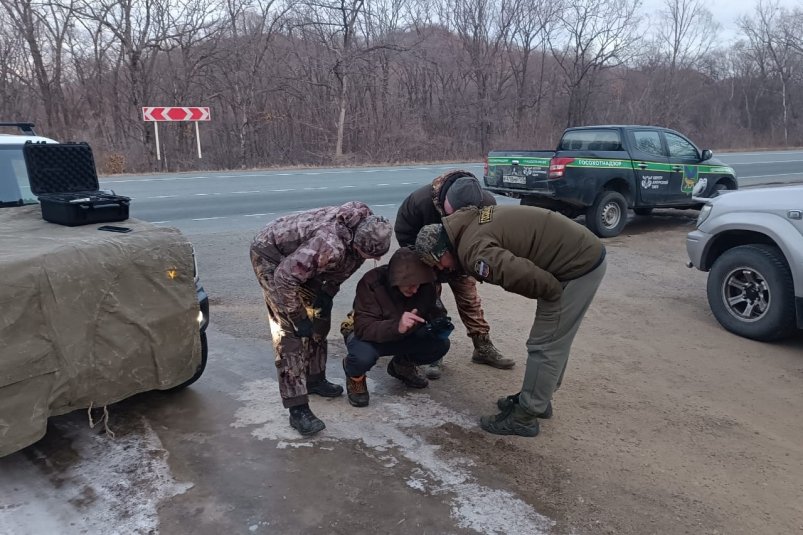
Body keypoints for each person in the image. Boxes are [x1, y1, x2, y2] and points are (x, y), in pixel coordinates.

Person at [414, 204, 607, 437]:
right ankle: (539, 398)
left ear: (443, 250)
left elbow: (519, 274)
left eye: (437, 263)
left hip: (576, 267)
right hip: (577, 252)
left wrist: (553, 292)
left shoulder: (474, 252)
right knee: (555, 340)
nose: (441, 269)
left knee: (545, 344)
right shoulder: (467, 224)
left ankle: (525, 416)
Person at [250, 201, 392, 436]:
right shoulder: (329, 246)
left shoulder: (366, 227)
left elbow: (345, 266)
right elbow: (284, 278)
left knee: (319, 319)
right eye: (368, 255)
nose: (370, 260)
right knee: (290, 334)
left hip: (301, 262)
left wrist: (327, 294)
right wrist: (297, 316)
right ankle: (297, 408)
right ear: (357, 244)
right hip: (272, 257)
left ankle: (315, 379)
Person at [394, 170, 514, 379]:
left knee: (470, 300)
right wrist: (424, 263)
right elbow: (404, 234)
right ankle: (434, 350)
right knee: (432, 303)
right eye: (455, 211)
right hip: (428, 260)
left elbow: (488, 236)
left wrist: (469, 263)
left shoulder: (486, 202)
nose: (459, 217)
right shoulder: (419, 202)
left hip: (461, 260)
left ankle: (482, 346)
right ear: (446, 198)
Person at [340, 247, 453, 407]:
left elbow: (435, 310)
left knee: (439, 344)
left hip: (406, 334)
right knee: (361, 358)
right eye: (410, 285)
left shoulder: (425, 286)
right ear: (397, 279)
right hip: (369, 335)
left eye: (418, 285)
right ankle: (355, 376)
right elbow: (363, 327)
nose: (415, 290)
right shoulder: (372, 282)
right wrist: (397, 326)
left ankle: (402, 365)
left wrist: (439, 323)